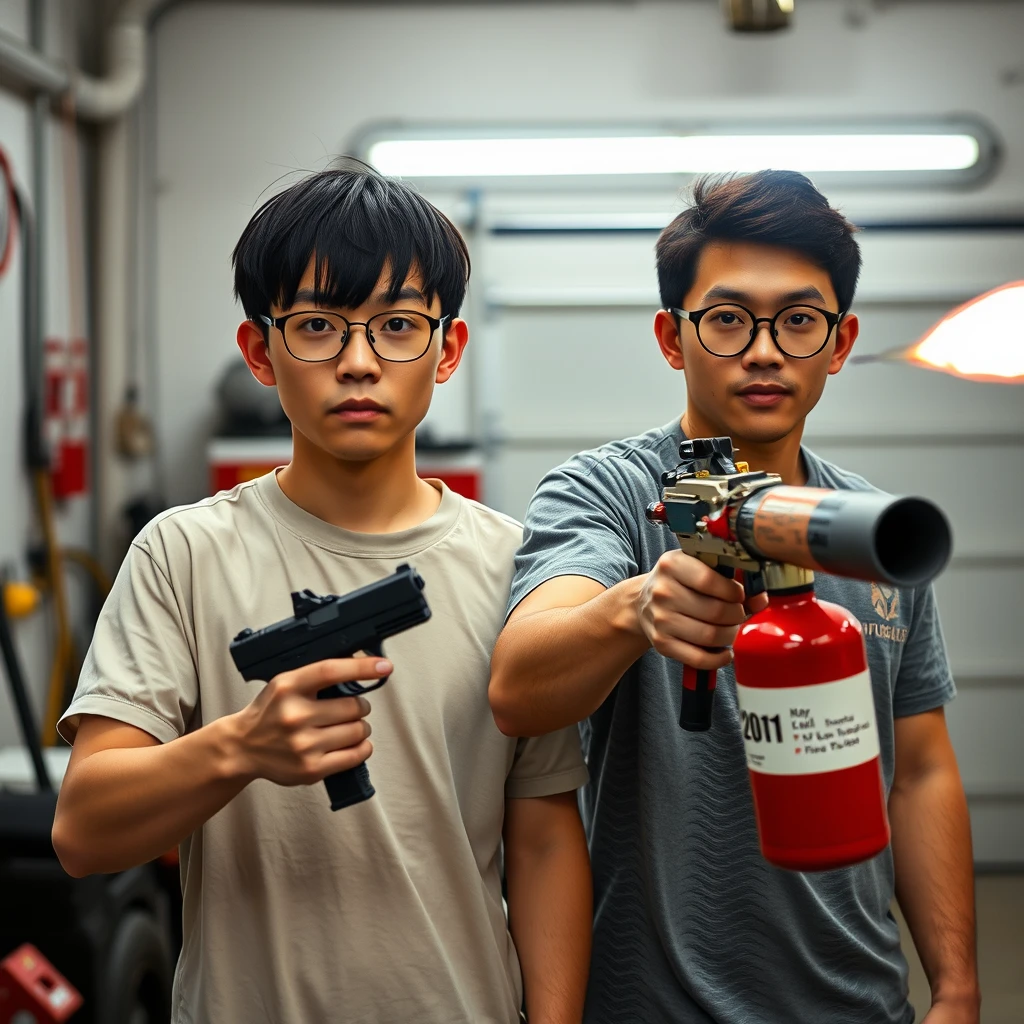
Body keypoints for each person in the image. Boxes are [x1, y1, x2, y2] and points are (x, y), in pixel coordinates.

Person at [52, 163, 592, 1024]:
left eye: (398, 327)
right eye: (316, 327)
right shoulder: (182, 553)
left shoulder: (520, 568)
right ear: (260, 352)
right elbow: (83, 833)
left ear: (448, 350)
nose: (358, 363)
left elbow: (542, 837)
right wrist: (241, 748)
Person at [489, 170, 979, 1024]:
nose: (763, 349)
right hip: (651, 1005)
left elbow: (923, 770)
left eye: (798, 320)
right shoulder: (604, 494)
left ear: (840, 341)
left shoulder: (864, 528)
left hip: (860, 1001)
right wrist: (635, 610)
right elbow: (519, 687)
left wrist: (959, 985)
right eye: (727, 319)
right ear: (672, 338)